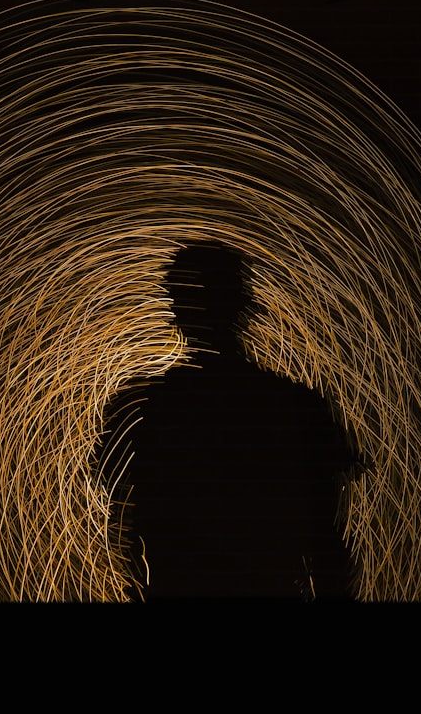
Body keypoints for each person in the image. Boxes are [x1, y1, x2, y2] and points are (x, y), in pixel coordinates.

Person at [120, 243, 355, 600]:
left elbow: (126, 527)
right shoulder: (295, 404)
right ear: (244, 306)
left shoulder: (146, 406)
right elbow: (325, 540)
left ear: (176, 309)